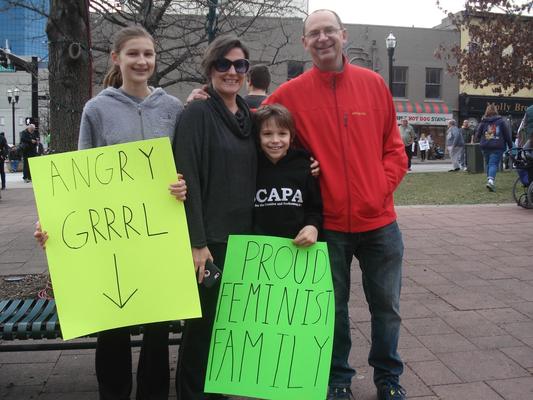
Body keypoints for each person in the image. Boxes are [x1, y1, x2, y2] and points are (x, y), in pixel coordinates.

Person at [262, 9, 407, 400]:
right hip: (326, 226)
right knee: (332, 310)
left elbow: (395, 150)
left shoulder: (374, 85)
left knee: (387, 308)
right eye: (314, 33)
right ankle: (338, 379)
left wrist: (379, 187)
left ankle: (388, 378)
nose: (323, 38)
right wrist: (207, 100)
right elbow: (250, 125)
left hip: (379, 222)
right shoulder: (290, 95)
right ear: (304, 43)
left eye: (329, 31)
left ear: (343, 36)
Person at [35, 26, 186, 400]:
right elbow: (81, 177)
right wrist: (52, 220)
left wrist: (183, 187)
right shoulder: (96, 109)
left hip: (158, 239)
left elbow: (184, 167)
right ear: (116, 59)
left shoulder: (173, 109)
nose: (142, 61)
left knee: (157, 331)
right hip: (111, 241)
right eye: (133, 54)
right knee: (112, 329)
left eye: (148, 54)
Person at [173, 34, 257, 400]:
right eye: (223, 64)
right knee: (201, 330)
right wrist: (197, 243)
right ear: (210, 69)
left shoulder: (249, 117)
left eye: (240, 65)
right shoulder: (197, 114)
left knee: (227, 328)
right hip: (209, 241)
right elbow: (186, 175)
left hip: (244, 240)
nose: (232, 71)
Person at [252, 103, 323, 244]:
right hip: (257, 250)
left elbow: (315, 208)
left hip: (298, 248)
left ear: (291, 136)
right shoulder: (250, 166)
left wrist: (313, 226)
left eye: (282, 133)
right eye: (267, 134)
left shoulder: (304, 166)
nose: (275, 140)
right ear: (258, 137)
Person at [475, 104, 513, 192]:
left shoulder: (483, 121)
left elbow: (477, 135)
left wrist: (481, 137)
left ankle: (489, 181)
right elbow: (507, 135)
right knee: (493, 164)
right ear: (496, 111)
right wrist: (510, 146)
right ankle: (491, 181)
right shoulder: (501, 121)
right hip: (497, 146)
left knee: (489, 164)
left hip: (485, 145)